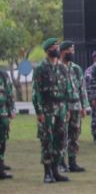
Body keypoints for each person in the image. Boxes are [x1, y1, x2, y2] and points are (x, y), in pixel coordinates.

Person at [32, 36, 72, 183]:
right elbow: (36, 93)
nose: (56, 49)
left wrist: (67, 108)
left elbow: (67, 89)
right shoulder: (40, 69)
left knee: (60, 140)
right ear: (48, 50)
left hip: (61, 108)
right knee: (47, 140)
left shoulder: (62, 67)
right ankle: (47, 172)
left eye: (58, 46)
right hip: (47, 109)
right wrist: (39, 112)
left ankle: (56, 170)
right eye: (54, 47)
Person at [60, 41, 88, 173]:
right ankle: (60, 162)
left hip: (76, 106)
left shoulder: (76, 69)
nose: (72, 53)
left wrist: (84, 106)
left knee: (74, 134)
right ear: (62, 52)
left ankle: (72, 162)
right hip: (63, 107)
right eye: (69, 50)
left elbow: (82, 88)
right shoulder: (58, 68)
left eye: (73, 50)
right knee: (62, 134)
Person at [0, 66, 15, 180]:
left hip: (3, 113)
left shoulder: (4, 75)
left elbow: (9, 93)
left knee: (2, 141)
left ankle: (1, 167)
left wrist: (11, 110)